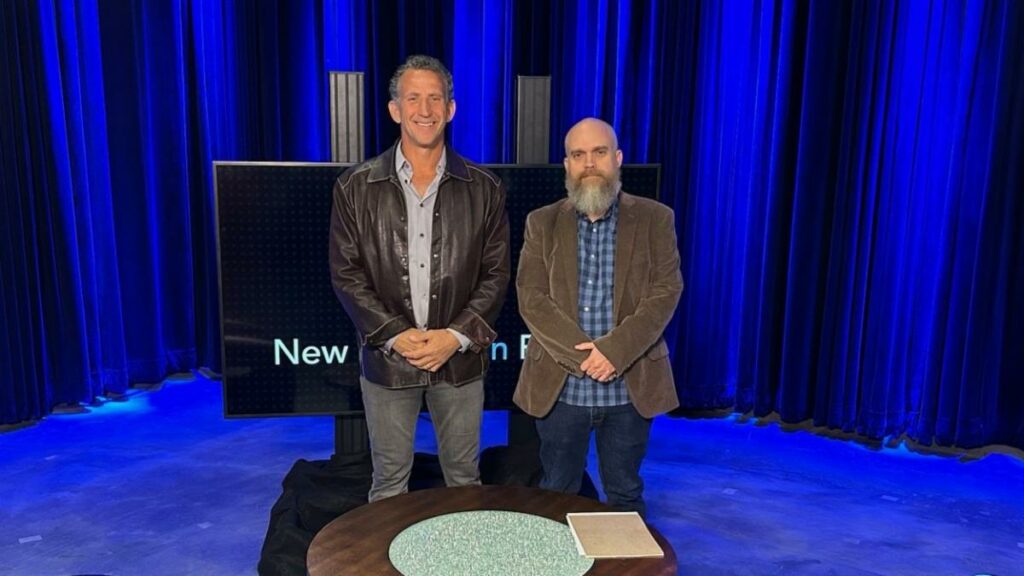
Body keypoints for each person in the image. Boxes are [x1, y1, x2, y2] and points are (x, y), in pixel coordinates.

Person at [329, 55, 510, 502]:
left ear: (451, 109)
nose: (425, 110)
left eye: (435, 98)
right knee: (389, 482)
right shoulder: (355, 187)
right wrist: (395, 336)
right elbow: (346, 274)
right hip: (390, 360)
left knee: (464, 479)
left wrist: (454, 336)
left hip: (461, 360)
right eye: (414, 98)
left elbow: (497, 274)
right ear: (395, 110)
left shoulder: (485, 188)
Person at [513, 117, 683, 516]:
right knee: (557, 491)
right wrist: (583, 359)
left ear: (617, 158)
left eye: (599, 152)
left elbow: (665, 292)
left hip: (629, 388)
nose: (589, 163)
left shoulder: (656, 218)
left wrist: (614, 352)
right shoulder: (541, 222)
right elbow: (531, 297)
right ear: (567, 165)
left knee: (624, 494)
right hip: (561, 387)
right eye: (578, 155)